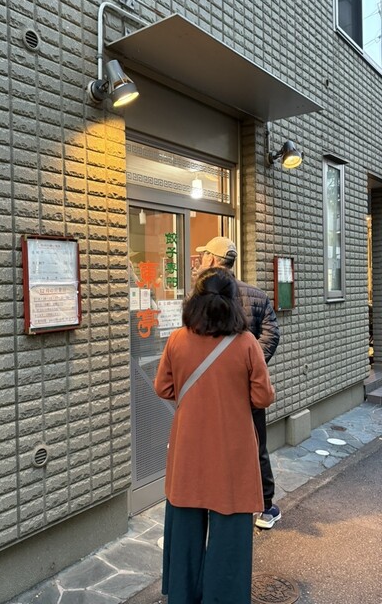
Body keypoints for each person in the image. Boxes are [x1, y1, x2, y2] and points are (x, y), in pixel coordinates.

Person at [154, 267, 275, 604]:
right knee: (230, 534)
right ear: (233, 303)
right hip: (232, 450)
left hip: (188, 447)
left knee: (185, 529)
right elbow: (262, 397)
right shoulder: (246, 343)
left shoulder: (178, 339)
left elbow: (163, 387)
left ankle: (183, 595)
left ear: (196, 301)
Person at [195, 236, 281, 530]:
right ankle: (265, 507)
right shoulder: (256, 294)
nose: (201, 260)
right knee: (256, 444)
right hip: (249, 387)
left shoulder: (204, 297)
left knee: (214, 442)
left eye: (204, 255)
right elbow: (271, 334)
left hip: (214, 389)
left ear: (212, 259)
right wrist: (251, 366)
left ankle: (217, 501)